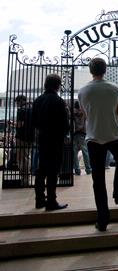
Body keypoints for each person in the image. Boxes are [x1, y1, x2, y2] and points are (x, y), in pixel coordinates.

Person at [78, 57, 118, 232]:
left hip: (93, 138)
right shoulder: (114, 88)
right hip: (113, 135)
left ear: (91, 71)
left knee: (98, 179)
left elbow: (85, 113)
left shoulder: (83, 90)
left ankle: (103, 219)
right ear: (105, 69)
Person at [32, 74, 69, 210]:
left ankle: (39, 200)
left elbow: (34, 122)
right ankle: (51, 201)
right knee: (53, 171)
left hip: (42, 139)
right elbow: (65, 124)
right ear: (58, 85)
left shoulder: (37, 100)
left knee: (41, 170)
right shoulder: (59, 101)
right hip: (55, 140)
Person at [13, 95, 35, 186]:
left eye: (17, 102)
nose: (17, 104)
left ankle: (24, 179)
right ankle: (26, 178)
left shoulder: (21, 110)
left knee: (21, 158)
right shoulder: (32, 109)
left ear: (20, 101)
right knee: (27, 156)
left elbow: (20, 125)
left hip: (21, 136)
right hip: (31, 137)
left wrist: (13, 124)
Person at [73, 100, 91, 175]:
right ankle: (88, 169)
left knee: (74, 152)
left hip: (74, 133)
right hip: (83, 133)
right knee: (85, 152)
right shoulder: (84, 112)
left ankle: (77, 170)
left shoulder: (72, 113)